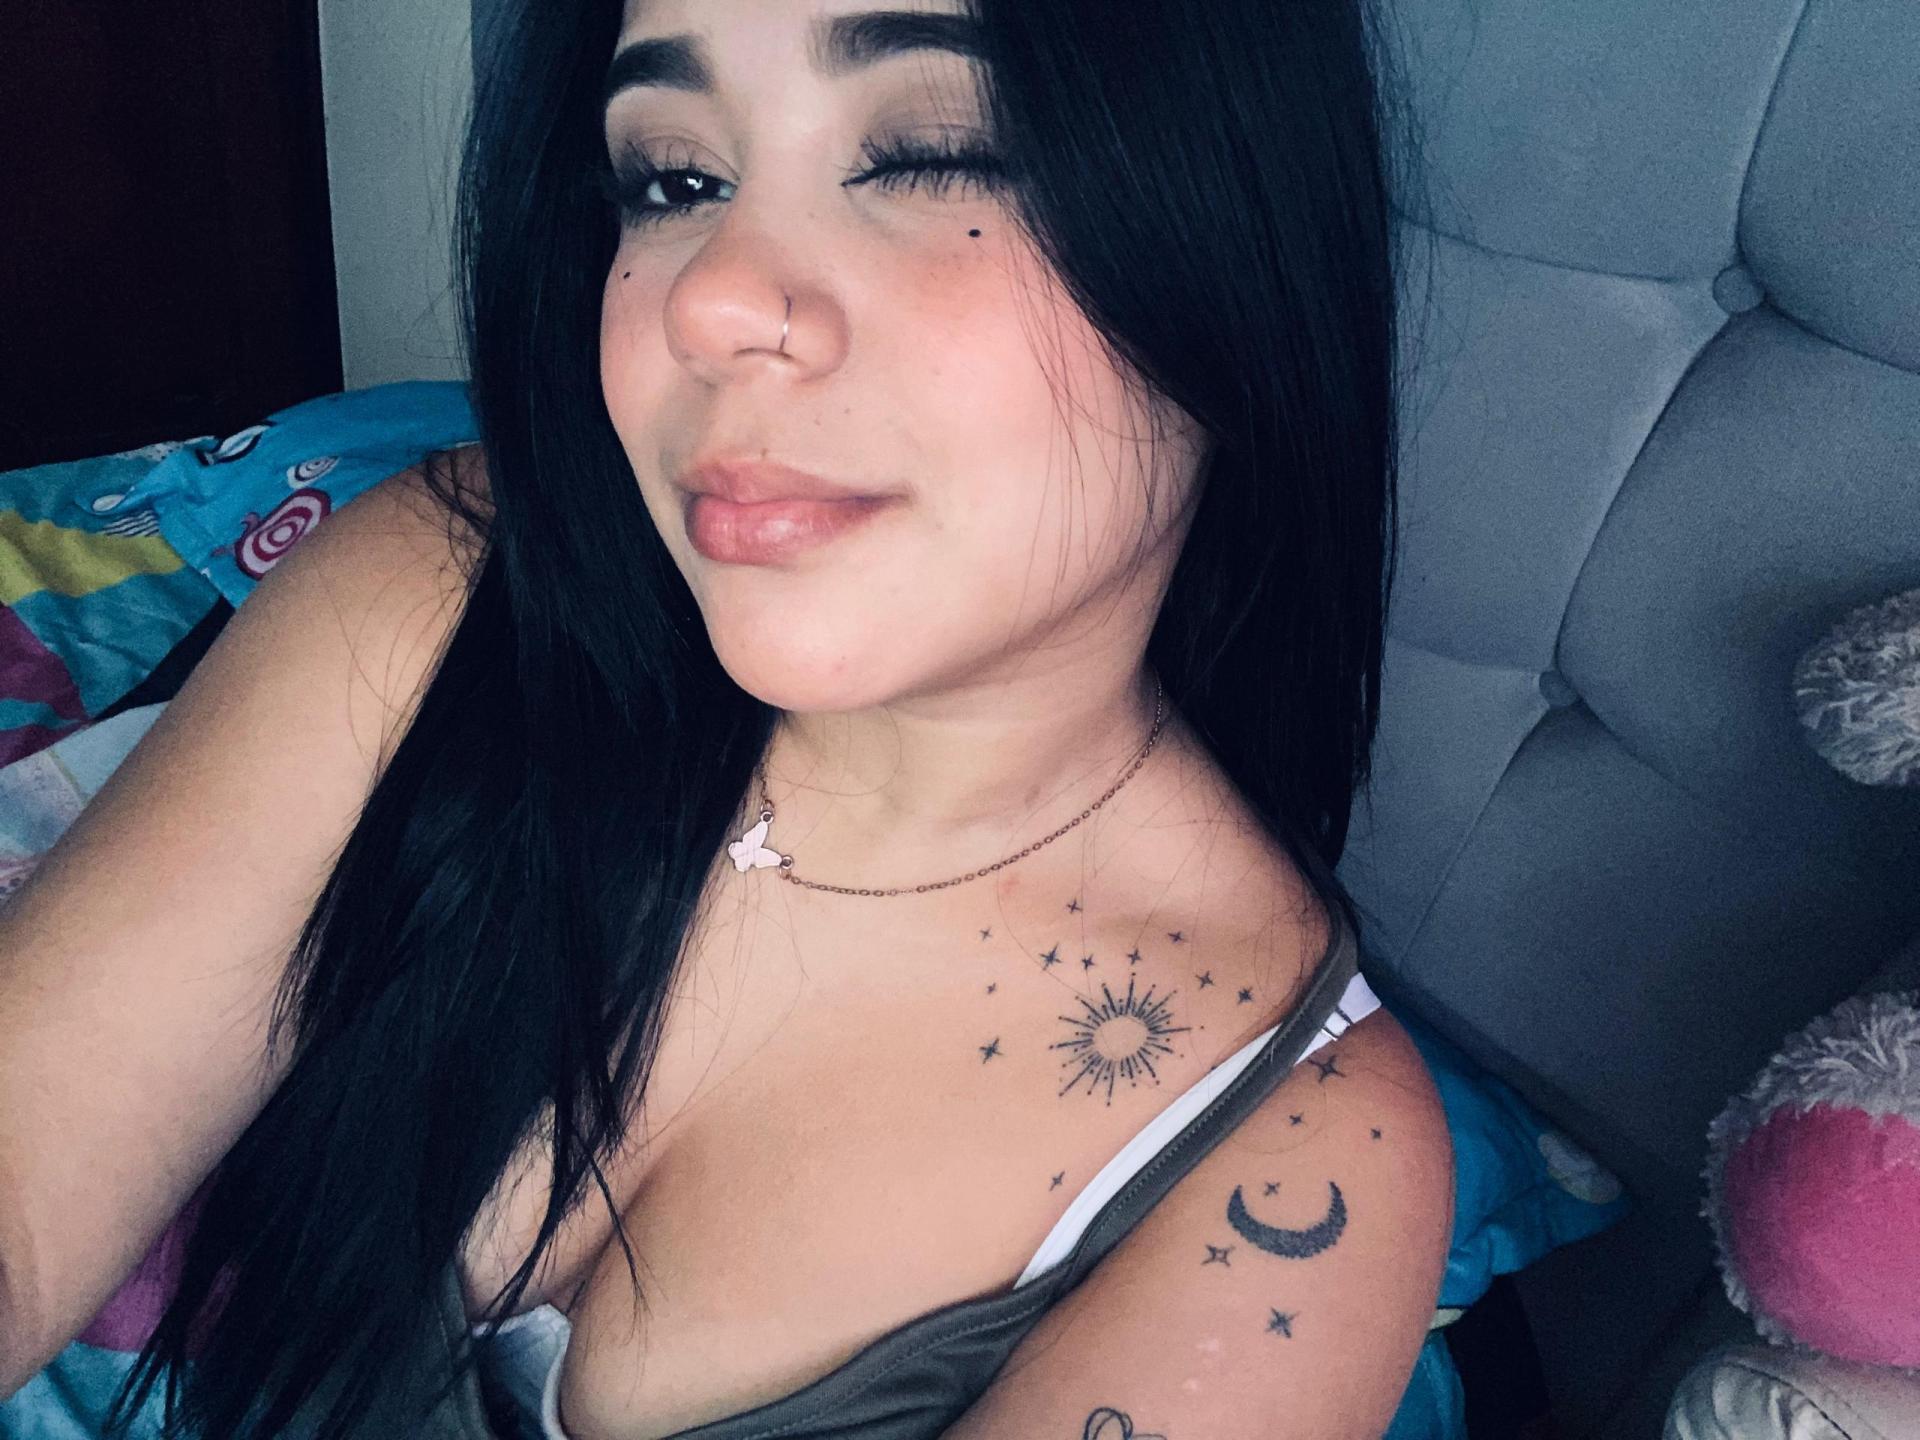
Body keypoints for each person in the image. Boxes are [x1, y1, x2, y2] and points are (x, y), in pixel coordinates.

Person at [0, 0, 1454, 1436]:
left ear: (1239, 233)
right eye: (676, 180)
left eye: (934, 154)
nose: (706, 300)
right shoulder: (443, 591)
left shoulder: (1297, 1154)